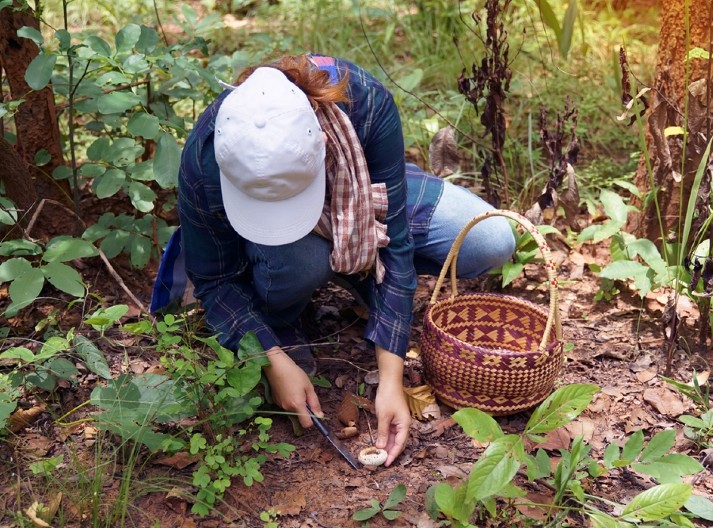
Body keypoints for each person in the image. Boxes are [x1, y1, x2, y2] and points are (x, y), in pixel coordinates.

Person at [173, 54, 515, 467]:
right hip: (296, 248)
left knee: (490, 240)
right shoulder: (206, 155)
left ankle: (358, 270)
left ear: (320, 143)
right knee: (300, 261)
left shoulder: (363, 101)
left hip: (361, 189)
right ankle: (287, 306)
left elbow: (397, 244)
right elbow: (214, 280)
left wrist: (391, 380)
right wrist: (271, 358)